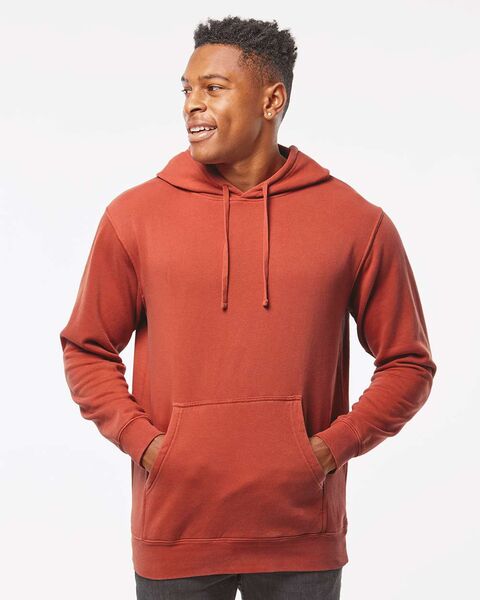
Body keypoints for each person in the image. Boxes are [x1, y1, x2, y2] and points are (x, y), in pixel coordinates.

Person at [59, 15, 437, 600]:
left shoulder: (355, 221)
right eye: (187, 89)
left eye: (213, 88)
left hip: (301, 534)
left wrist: (328, 450)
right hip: (175, 532)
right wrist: (149, 445)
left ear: (272, 100)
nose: (192, 104)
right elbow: (86, 349)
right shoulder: (133, 217)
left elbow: (408, 363)